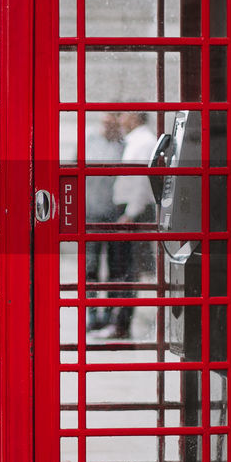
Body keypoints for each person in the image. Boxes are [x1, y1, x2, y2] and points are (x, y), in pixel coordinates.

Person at [94, 112, 159, 340]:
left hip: (132, 211)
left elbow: (142, 181)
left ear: (135, 117)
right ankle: (116, 320)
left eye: (124, 116)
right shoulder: (134, 141)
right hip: (125, 209)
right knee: (117, 267)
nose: (120, 120)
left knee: (125, 269)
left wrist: (131, 213)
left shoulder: (143, 142)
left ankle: (120, 322)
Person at [84, 113, 123, 331]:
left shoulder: (124, 145)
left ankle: (109, 313)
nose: (107, 127)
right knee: (91, 266)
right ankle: (91, 312)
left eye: (111, 123)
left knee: (115, 268)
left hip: (115, 214)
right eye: (105, 123)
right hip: (91, 214)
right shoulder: (89, 141)